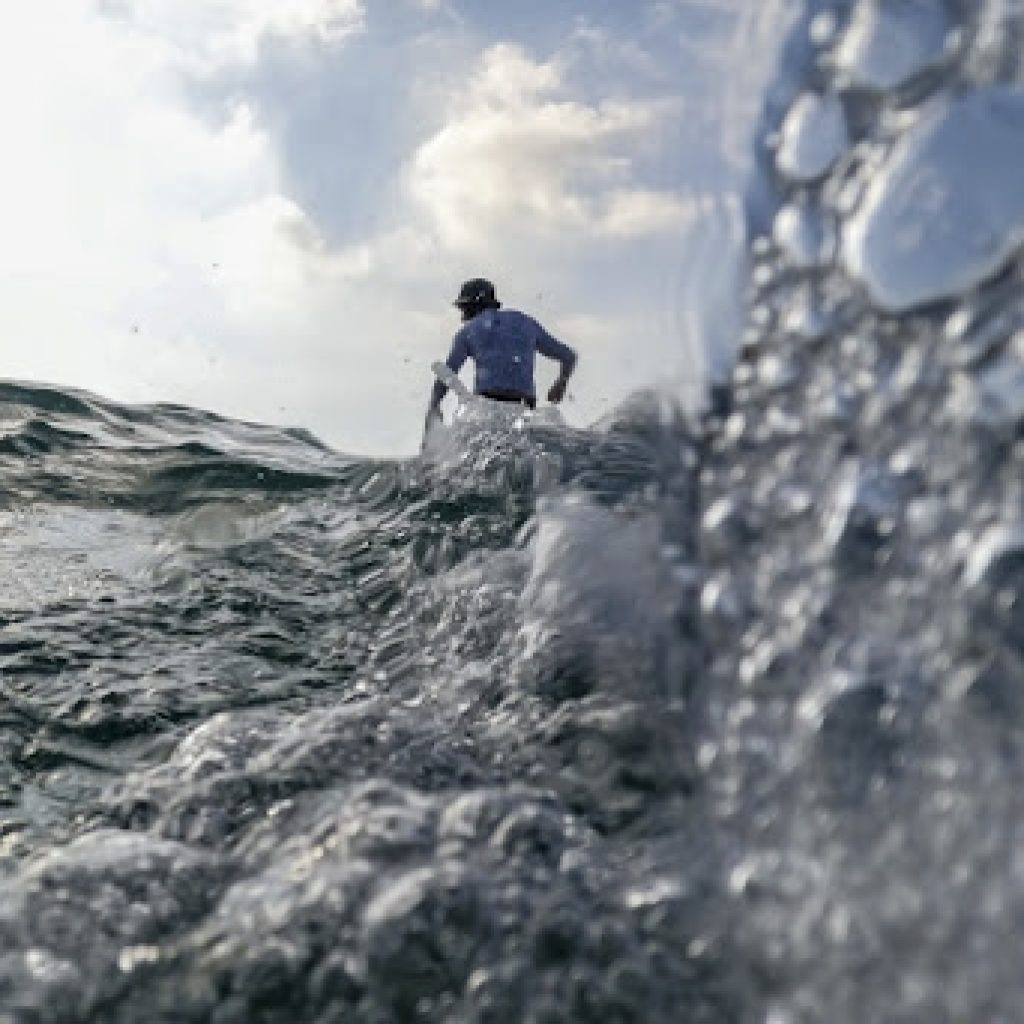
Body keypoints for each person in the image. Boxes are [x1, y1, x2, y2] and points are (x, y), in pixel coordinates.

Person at [424, 278, 577, 434]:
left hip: (486, 409)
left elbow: (447, 375)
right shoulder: (525, 323)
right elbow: (569, 357)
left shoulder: (468, 331)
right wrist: (561, 384)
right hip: (524, 408)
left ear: (471, 306)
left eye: (464, 308)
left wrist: (433, 407)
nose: (463, 315)